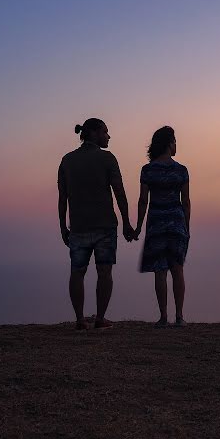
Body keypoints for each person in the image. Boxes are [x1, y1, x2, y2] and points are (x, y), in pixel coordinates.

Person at [58, 118, 135, 330]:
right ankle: (100, 319)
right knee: (105, 272)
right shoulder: (108, 159)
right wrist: (127, 223)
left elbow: (62, 197)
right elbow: (119, 192)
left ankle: (81, 320)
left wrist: (62, 226)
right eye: (105, 132)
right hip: (105, 226)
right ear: (93, 133)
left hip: (79, 227)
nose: (108, 136)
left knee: (77, 272)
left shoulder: (67, 160)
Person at [134, 126, 190, 326]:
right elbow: (186, 202)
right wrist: (187, 227)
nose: (176, 145)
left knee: (160, 270)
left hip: (156, 223)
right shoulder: (181, 170)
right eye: (174, 141)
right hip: (176, 223)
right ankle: (180, 317)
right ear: (169, 143)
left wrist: (138, 227)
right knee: (177, 269)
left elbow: (143, 201)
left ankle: (163, 317)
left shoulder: (148, 170)